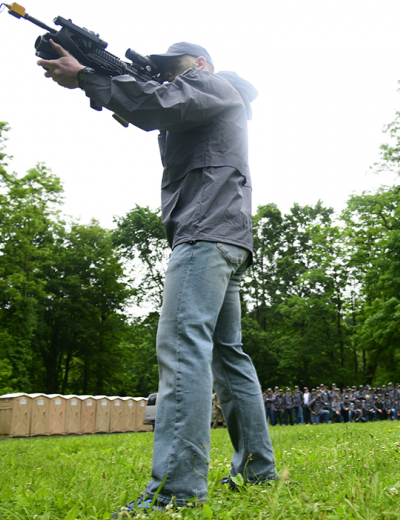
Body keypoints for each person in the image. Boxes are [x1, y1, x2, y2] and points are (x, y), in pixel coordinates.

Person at [36, 40, 276, 513]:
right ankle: (257, 470)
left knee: (184, 347)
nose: (170, 77)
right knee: (228, 357)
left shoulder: (210, 82)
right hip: (224, 236)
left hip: (204, 234)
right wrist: (103, 82)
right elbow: (153, 107)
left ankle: (176, 490)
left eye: (177, 68)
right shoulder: (213, 97)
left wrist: (87, 74)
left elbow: (154, 106)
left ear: (202, 64)